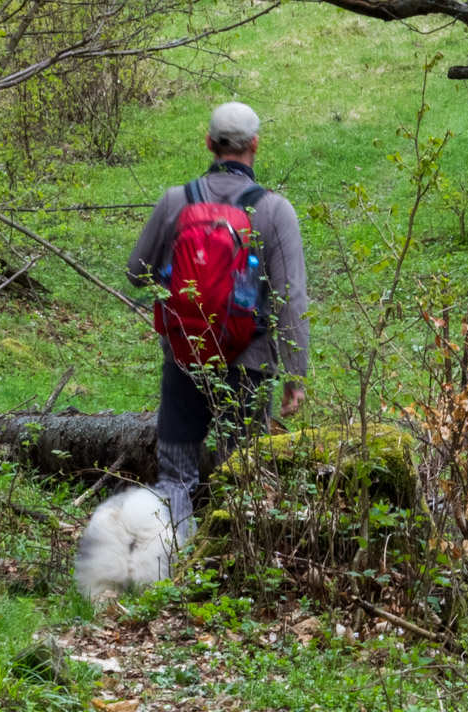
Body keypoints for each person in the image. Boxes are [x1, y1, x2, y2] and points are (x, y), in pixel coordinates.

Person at [127, 101, 309, 541]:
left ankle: (168, 569)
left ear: (209, 143)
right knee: (242, 472)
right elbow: (291, 297)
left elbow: (136, 272)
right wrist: (295, 374)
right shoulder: (273, 210)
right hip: (249, 361)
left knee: (176, 477)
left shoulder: (175, 201)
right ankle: (234, 570)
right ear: (256, 146)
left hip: (183, 356)